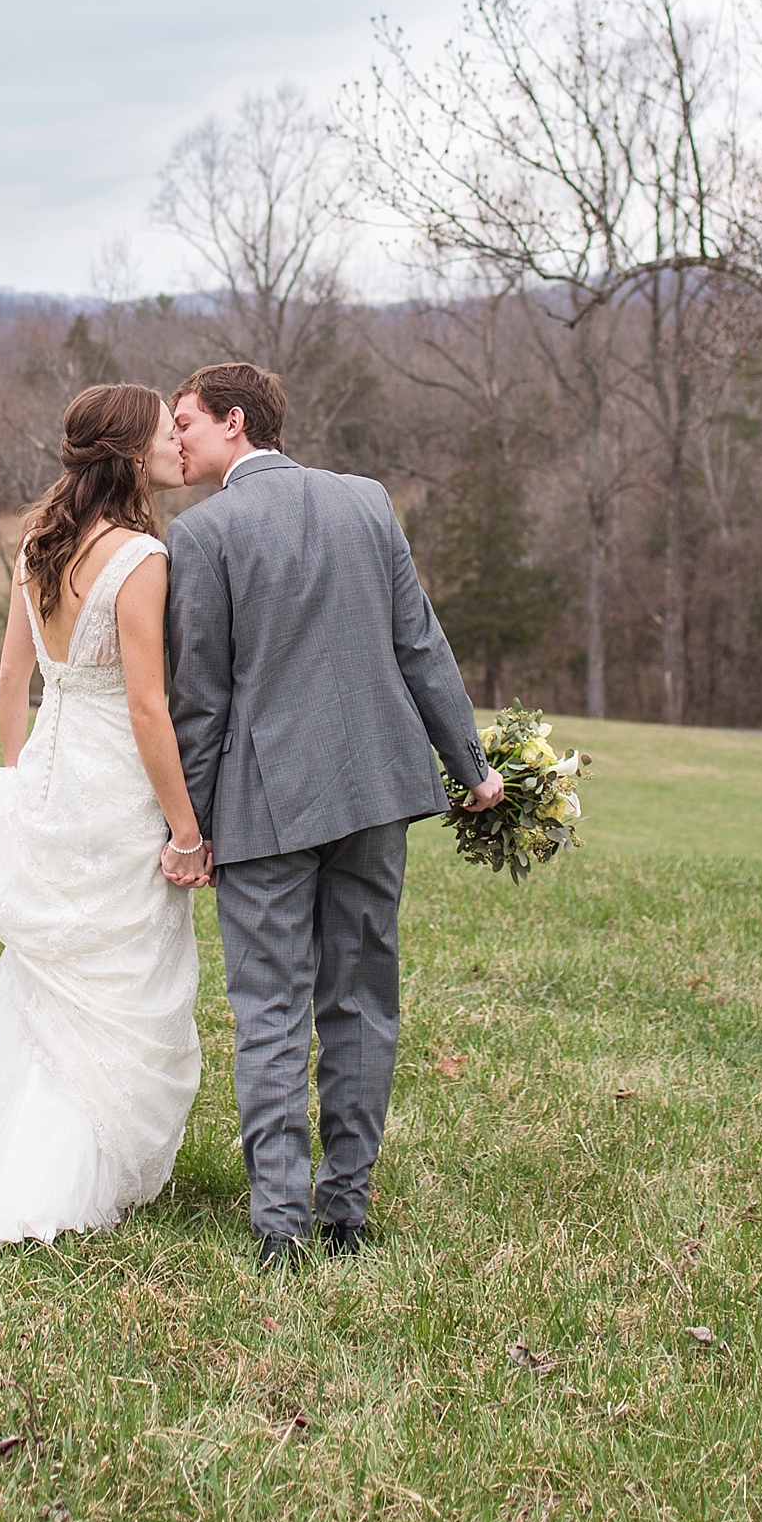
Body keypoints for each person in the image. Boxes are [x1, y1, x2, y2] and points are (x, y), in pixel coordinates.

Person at [166, 361, 504, 1273]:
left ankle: (280, 1222)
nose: (177, 436)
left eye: (188, 419)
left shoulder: (201, 535)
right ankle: (345, 1210)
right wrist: (469, 765)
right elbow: (418, 643)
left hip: (266, 806)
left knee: (270, 1006)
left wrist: (190, 829)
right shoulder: (366, 501)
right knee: (360, 998)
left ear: (235, 421)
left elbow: (197, 700)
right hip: (375, 790)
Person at [0, 383, 209, 1244]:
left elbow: (9, 680)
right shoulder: (141, 559)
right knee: (117, 969)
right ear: (130, 456)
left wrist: (14, 774)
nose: (175, 445)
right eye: (161, 435)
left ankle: (4, 1158)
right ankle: (63, 1178)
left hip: (53, 771)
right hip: (115, 782)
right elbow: (148, 708)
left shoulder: (39, 541)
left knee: (56, 971)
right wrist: (185, 827)